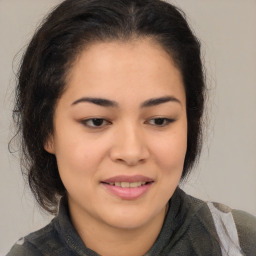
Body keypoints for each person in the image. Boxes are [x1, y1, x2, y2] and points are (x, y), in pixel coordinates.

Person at [6, 0, 256, 255]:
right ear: (46, 130)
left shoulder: (239, 242)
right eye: (96, 121)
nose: (131, 151)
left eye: (159, 120)